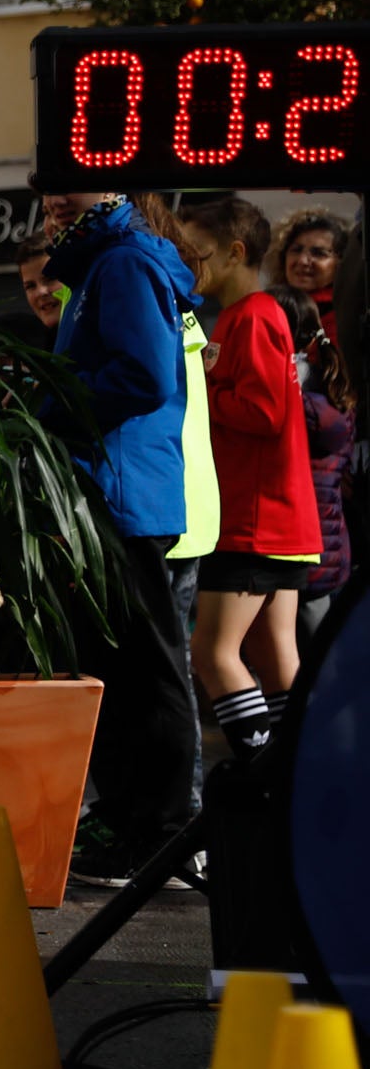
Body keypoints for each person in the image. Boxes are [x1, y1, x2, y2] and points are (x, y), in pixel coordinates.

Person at [43, 191, 214, 888]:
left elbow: (143, 376)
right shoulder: (103, 263)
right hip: (112, 489)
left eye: (68, 182)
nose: (52, 197)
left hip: (121, 493)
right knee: (119, 669)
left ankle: (163, 833)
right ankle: (134, 823)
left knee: (147, 672)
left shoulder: (123, 261)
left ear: (114, 184)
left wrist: (50, 400)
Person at [179, 195, 317, 755]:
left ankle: (264, 774)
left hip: (254, 523)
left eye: (198, 253)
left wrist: (201, 387)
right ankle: (298, 773)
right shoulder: (252, 316)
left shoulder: (254, 317)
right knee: (274, 656)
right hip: (279, 520)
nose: (189, 265)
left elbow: (264, 414)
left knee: (211, 653)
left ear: (235, 253)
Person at [269, 286, 351, 655]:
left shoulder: (296, 398)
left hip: (301, 549)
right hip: (328, 548)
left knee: (302, 656)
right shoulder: (329, 386)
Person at [272, 209, 344, 338]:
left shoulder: (345, 317)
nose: (303, 261)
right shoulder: (269, 308)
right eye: (296, 250)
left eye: (318, 253)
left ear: (340, 262)